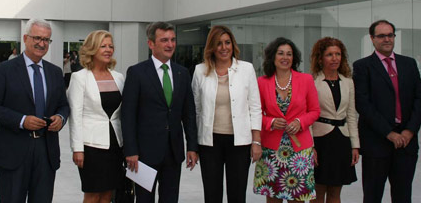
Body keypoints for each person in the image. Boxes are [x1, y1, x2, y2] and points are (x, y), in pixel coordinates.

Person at [0, 18, 70, 203]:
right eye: (37, 38)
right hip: (13, 151)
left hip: (46, 151)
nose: (41, 43)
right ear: (25, 38)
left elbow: (63, 104)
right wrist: (22, 120)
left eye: (46, 39)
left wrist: (60, 118)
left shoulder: (55, 72)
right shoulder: (5, 70)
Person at [121, 21, 198, 203]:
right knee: (144, 200)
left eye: (172, 40)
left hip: (173, 152)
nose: (170, 45)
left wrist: (192, 147)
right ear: (151, 43)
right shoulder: (137, 73)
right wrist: (131, 150)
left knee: (170, 199)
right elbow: (128, 115)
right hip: (144, 155)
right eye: (164, 40)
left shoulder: (183, 73)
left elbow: (189, 113)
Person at [353, 20, 421, 203]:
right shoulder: (362, 66)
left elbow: (420, 99)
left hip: (406, 144)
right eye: (381, 36)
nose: (387, 39)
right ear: (372, 38)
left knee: (403, 196)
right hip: (376, 143)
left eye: (390, 35)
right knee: (372, 196)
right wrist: (389, 133)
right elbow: (363, 104)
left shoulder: (409, 64)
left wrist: (409, 131)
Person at [191, 25, 262, 203]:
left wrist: (256, 141)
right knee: (212, 194)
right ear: (211, 48)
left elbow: (255, 107)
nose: (224, 48)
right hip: (210, 142)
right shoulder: (200, 71)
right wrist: (193, 145)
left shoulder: (247, 69)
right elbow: (196, 110)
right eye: (219, 43)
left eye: (227, 43)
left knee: (237, 195)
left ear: (233, 45)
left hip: (239, 142)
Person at [253, 37, 320, 202]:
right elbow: (255, 112)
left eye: (289, 54)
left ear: (294, 58)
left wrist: (300, 122)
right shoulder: (261, 82)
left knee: (297, 197)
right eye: (281, 53)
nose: (285, 57)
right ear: (273, 57)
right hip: (271, 150)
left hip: (299, 150)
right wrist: (270, 122)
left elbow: (315, 110)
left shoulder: (306, 80)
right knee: (273, 198)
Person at [67, 30, 125, 203]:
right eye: (103, 46)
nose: (108, 49)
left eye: (111, 46)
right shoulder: (79, 78)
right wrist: (77, 149)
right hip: (91, 146)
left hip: (115, 144)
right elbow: (75, 116)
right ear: (92, 49)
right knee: (93, 194)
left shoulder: (119, 77)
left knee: (108, 193)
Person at [310, 37, 359, 203]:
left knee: (335, 193)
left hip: (342, 141)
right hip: (320, 141)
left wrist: (355, 145)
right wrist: (310, 147)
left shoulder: (348, 82)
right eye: (329, 54)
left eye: (338, 54)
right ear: (320, 58)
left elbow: (351, 115)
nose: (335, 58)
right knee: (318, 192)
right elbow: (308, 115)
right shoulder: (312, 82)